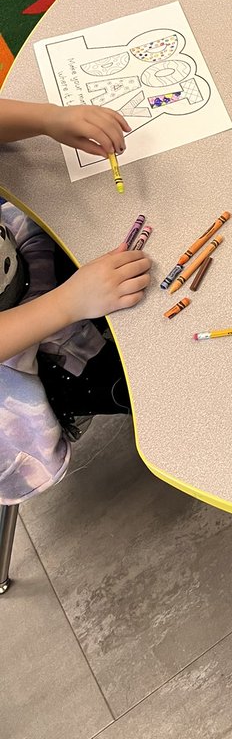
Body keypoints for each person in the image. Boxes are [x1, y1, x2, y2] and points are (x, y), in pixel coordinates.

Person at [0, 100, 151, 504]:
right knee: (147, 375)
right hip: (16, 364)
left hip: (23, 273)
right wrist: (70, 302)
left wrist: (49, 119)